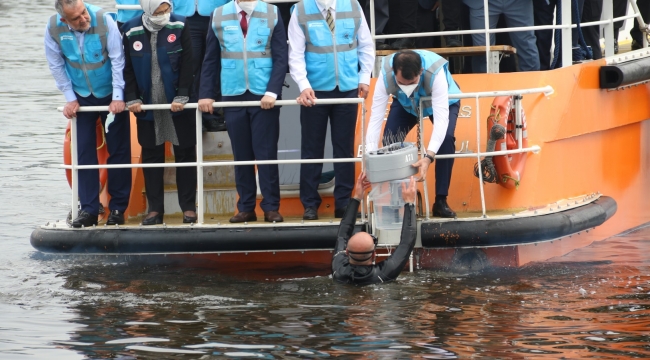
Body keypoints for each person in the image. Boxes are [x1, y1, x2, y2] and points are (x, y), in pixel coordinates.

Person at [199, 0, 288, 223]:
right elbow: (210, 59)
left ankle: (271, 206)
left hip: (264, 96)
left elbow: (281, 57)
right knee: (241, 155)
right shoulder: (218, 15)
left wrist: (273, 92)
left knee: (266, 154)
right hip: (233, 93)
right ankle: (246, 207)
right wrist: (206, 93)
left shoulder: (273, 12)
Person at [46, 0, 132, 228]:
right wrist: (69, 98)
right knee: (83, 152)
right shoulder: (54, 28)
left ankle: (117, 208)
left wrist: (117, 96)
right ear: (64, 20)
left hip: (109, 92)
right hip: (81, 95)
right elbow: (55, 64)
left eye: (84, 13)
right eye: (76, 18)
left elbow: (117, 59)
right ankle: (89, 209)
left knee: (119, 149)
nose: (84, 19)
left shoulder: (104, 20)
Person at [288, 0, 375, 220]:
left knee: (343, 149)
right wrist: (304, 85)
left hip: (347, 88)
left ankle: (344, 202)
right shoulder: (299, 10)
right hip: (314, 91)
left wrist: (364, 77)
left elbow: (365, 44)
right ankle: (309, 204)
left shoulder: (353, 6)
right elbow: (295, 54)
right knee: (311, 149)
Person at [122, 0, 198, 225]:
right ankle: (155, 210)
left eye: (167, 10)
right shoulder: (130, 29)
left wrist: (182, 95)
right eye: (159, 11)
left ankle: (188, 208)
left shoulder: (181, 25)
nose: (164, 15)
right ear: (147, 9)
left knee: (185, 153)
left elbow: (189, 63)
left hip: (177, 103)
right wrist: (132, 97)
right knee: (152, 155)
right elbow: (125, 66)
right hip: (147, 104)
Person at [366, 50, 461, 218]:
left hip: (442, 101)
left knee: (446, 139)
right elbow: (375, 118)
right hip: (406, 105)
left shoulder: (435, 73)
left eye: (413, 82)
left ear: (421, 72)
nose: (407, 87)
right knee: (389, 140)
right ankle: (394, 202)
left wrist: (428, 157)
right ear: (394, 73)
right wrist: (370, 157)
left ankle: (440, 201)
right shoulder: (385, 75)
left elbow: (440, 122)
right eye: (402, 83)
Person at [332, 172, 417, 285]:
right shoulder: (383, 274)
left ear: (346, 252)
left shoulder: (338, 268)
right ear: (374, 254)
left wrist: (356, 198)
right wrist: (409, 203)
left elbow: (343, 234)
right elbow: (407, 242)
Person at [172, 0, 230, 132]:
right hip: (184, 14)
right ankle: (193, 115)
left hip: (218, 12)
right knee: (190, 67)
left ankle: (212, 115)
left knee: (215, 65)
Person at [463, 0, 540, 72]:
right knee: (481, 50)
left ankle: (532, 83)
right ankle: (483, 84)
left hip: (519, 2)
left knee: (527, 46)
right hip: (482, 2)